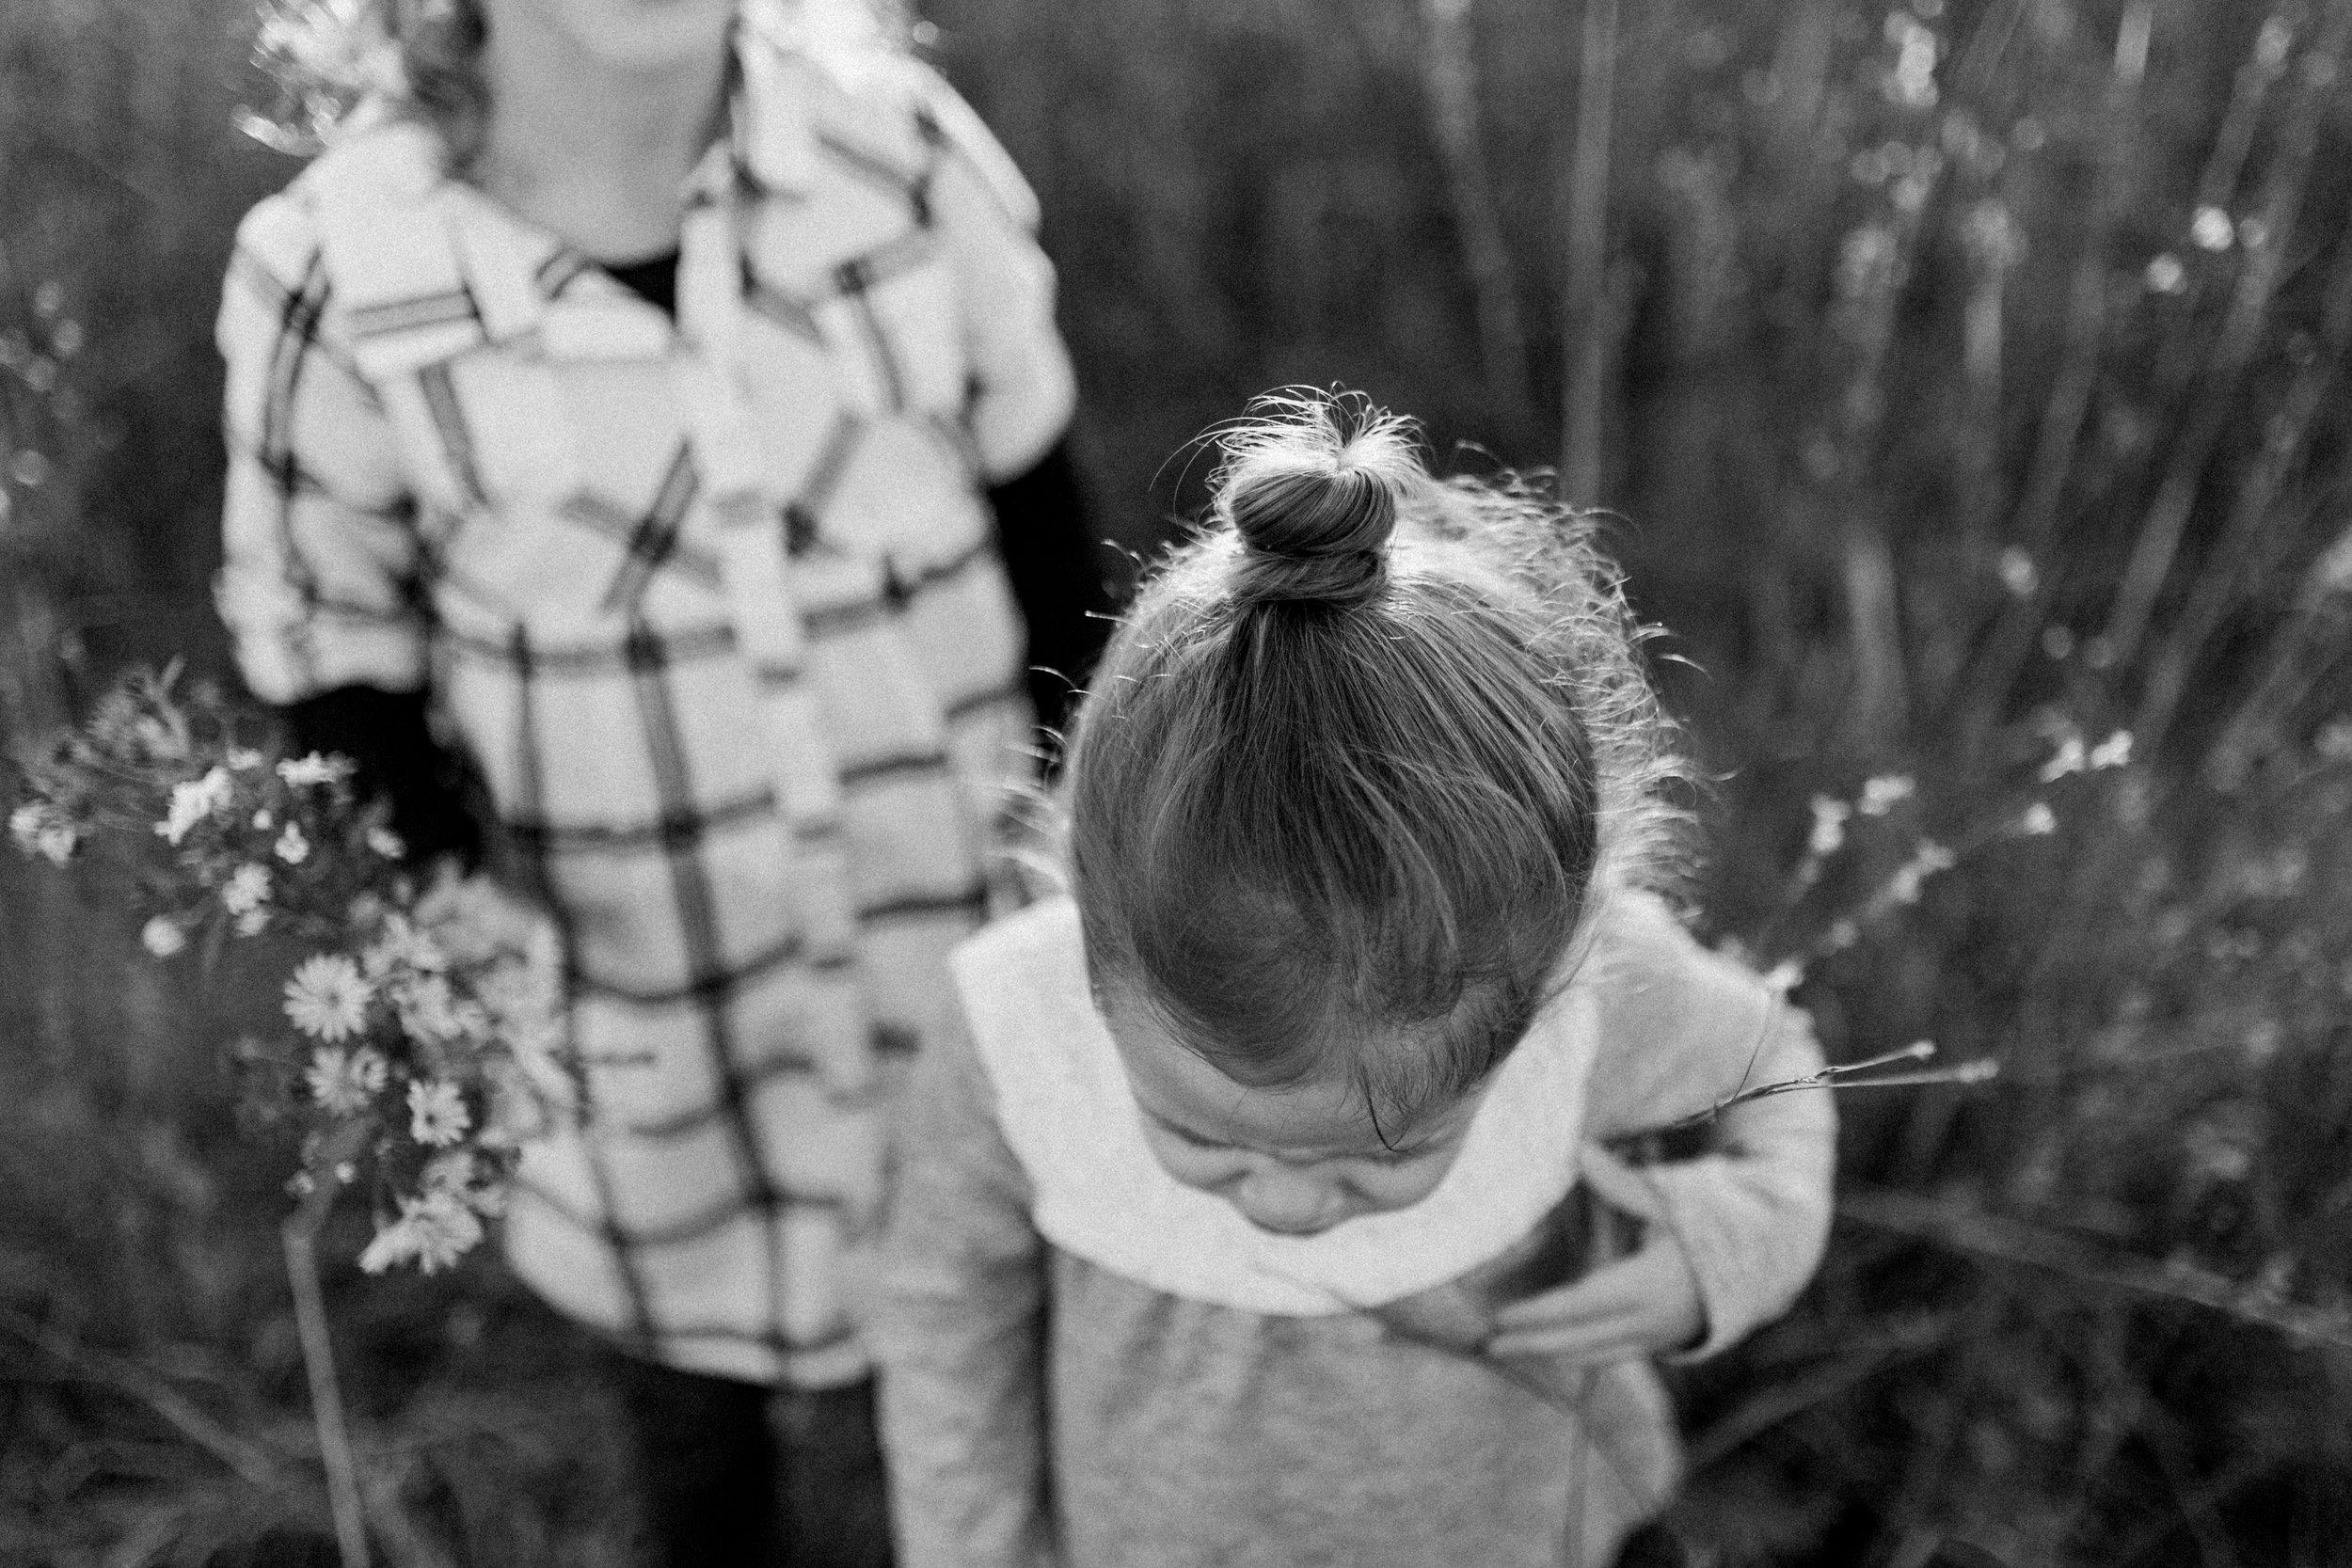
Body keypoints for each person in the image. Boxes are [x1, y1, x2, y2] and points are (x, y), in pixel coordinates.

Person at [213, 1, 1110, 1561]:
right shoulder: (335, 262)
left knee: (1004, 1424)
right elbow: (329, 654)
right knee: (698, 1455)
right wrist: (439, 897)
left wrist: (1110, 857)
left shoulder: (893, 155)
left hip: (961, 946)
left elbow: (1049, 531)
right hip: (642, 1010)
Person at [875, 392, 1838, 1568]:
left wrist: (1718, 1252)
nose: (1283, 1206)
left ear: (1549, 976)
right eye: (1201, 1137)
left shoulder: (1583, 983)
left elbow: (1778, 1079)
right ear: (1085, 935)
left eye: (1380, 1152)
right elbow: (943, 1312)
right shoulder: (1009, 1031)